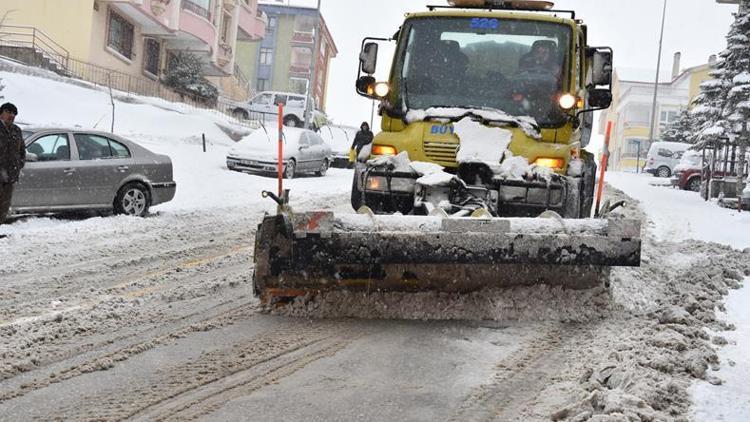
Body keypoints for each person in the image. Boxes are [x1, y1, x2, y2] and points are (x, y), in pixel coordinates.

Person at [0, 103, 25, 224]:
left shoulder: (16, 130)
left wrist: (19, 164)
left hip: (10, 176)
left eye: (14, 114)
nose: (12, 116)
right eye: (9, 112)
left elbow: (22, 151)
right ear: (2, 113)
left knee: (4, 207)